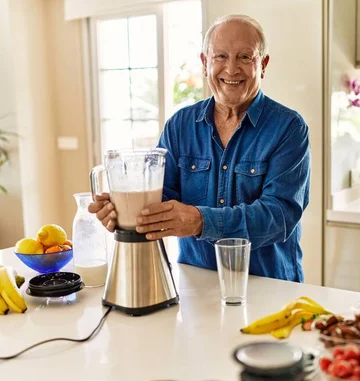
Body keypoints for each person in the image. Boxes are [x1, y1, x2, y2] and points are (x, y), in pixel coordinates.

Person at [89, 15, 311, 282]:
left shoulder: (289, 128)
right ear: (205, 63)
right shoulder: (180, 125)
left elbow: (278, 216)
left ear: (262, 65)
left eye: (244, 57)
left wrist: (200, 221)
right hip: (195, 286)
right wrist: (121, 212)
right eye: (220, 57)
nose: (231, 69)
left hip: (270, 286)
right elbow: (160, 200)